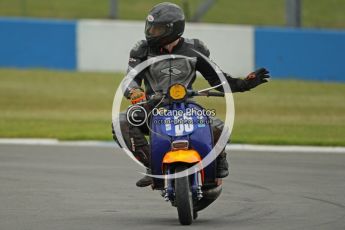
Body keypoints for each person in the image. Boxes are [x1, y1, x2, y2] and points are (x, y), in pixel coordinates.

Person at [112, 2, 270, 187]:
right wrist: (134, 91)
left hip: (186, 106)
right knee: (121, 123)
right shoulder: (142, 49)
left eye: (157, 29)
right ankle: (153, 167)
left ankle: (219, 159)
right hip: (153, 107)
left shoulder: (195, 48)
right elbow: (129, 78)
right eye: (150, 28)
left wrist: (244, 84)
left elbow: (218, 80)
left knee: (218, 127)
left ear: (173, 29)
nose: (151, 33)